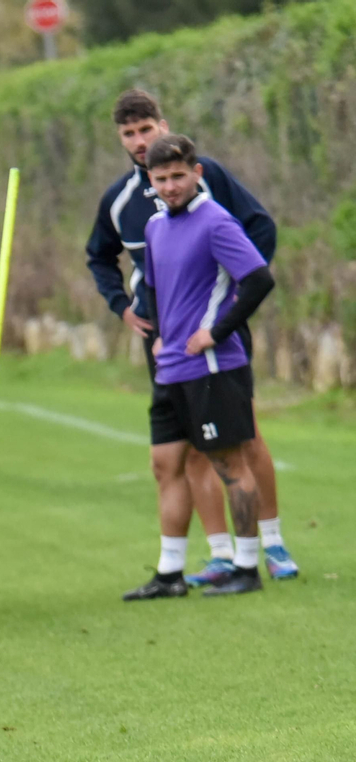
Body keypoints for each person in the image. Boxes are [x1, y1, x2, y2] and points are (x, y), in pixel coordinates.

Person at [86, 88, 298, 583]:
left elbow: (257, 233)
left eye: (146, 128)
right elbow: (101, 257)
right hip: (165, 337)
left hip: (213, 332)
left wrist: (226, 301)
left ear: (164, 124)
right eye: (129, 134)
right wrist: (126, 308)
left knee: (243, 437)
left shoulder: (208, 178)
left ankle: (272, 543)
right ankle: (220, 552)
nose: (140, 141)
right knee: (189, 448)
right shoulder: (123, 203)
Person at [123, 134, 273, 600]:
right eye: (161, 179)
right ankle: (170, 574)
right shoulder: (154, 227)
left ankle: (246, 567)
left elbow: (258, 279)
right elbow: (155, 286)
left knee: (229, 465)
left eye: (178, 177)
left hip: (213, 368)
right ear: (150, 179)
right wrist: (162, 332)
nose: (170, 186)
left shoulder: (216, 221)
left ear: (197, 173)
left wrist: (217, 331)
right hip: (171, 370)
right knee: (164, 464)